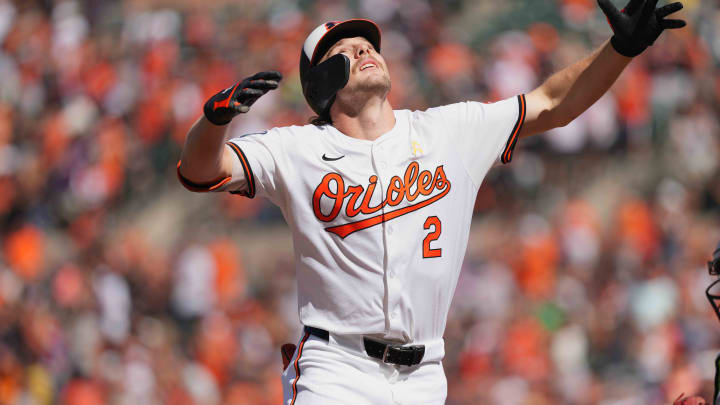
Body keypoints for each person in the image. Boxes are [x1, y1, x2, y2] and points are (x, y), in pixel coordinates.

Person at [177, 1, 685, 403]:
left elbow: (553, 103)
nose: (362, 51)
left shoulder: (448, 131)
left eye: (366, 44)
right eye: (343, 50)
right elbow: (200, 172)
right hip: (337, 370)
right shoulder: (296, 149)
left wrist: (620, 50)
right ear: (319, 84)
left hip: (425, 375)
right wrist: (214, 121)